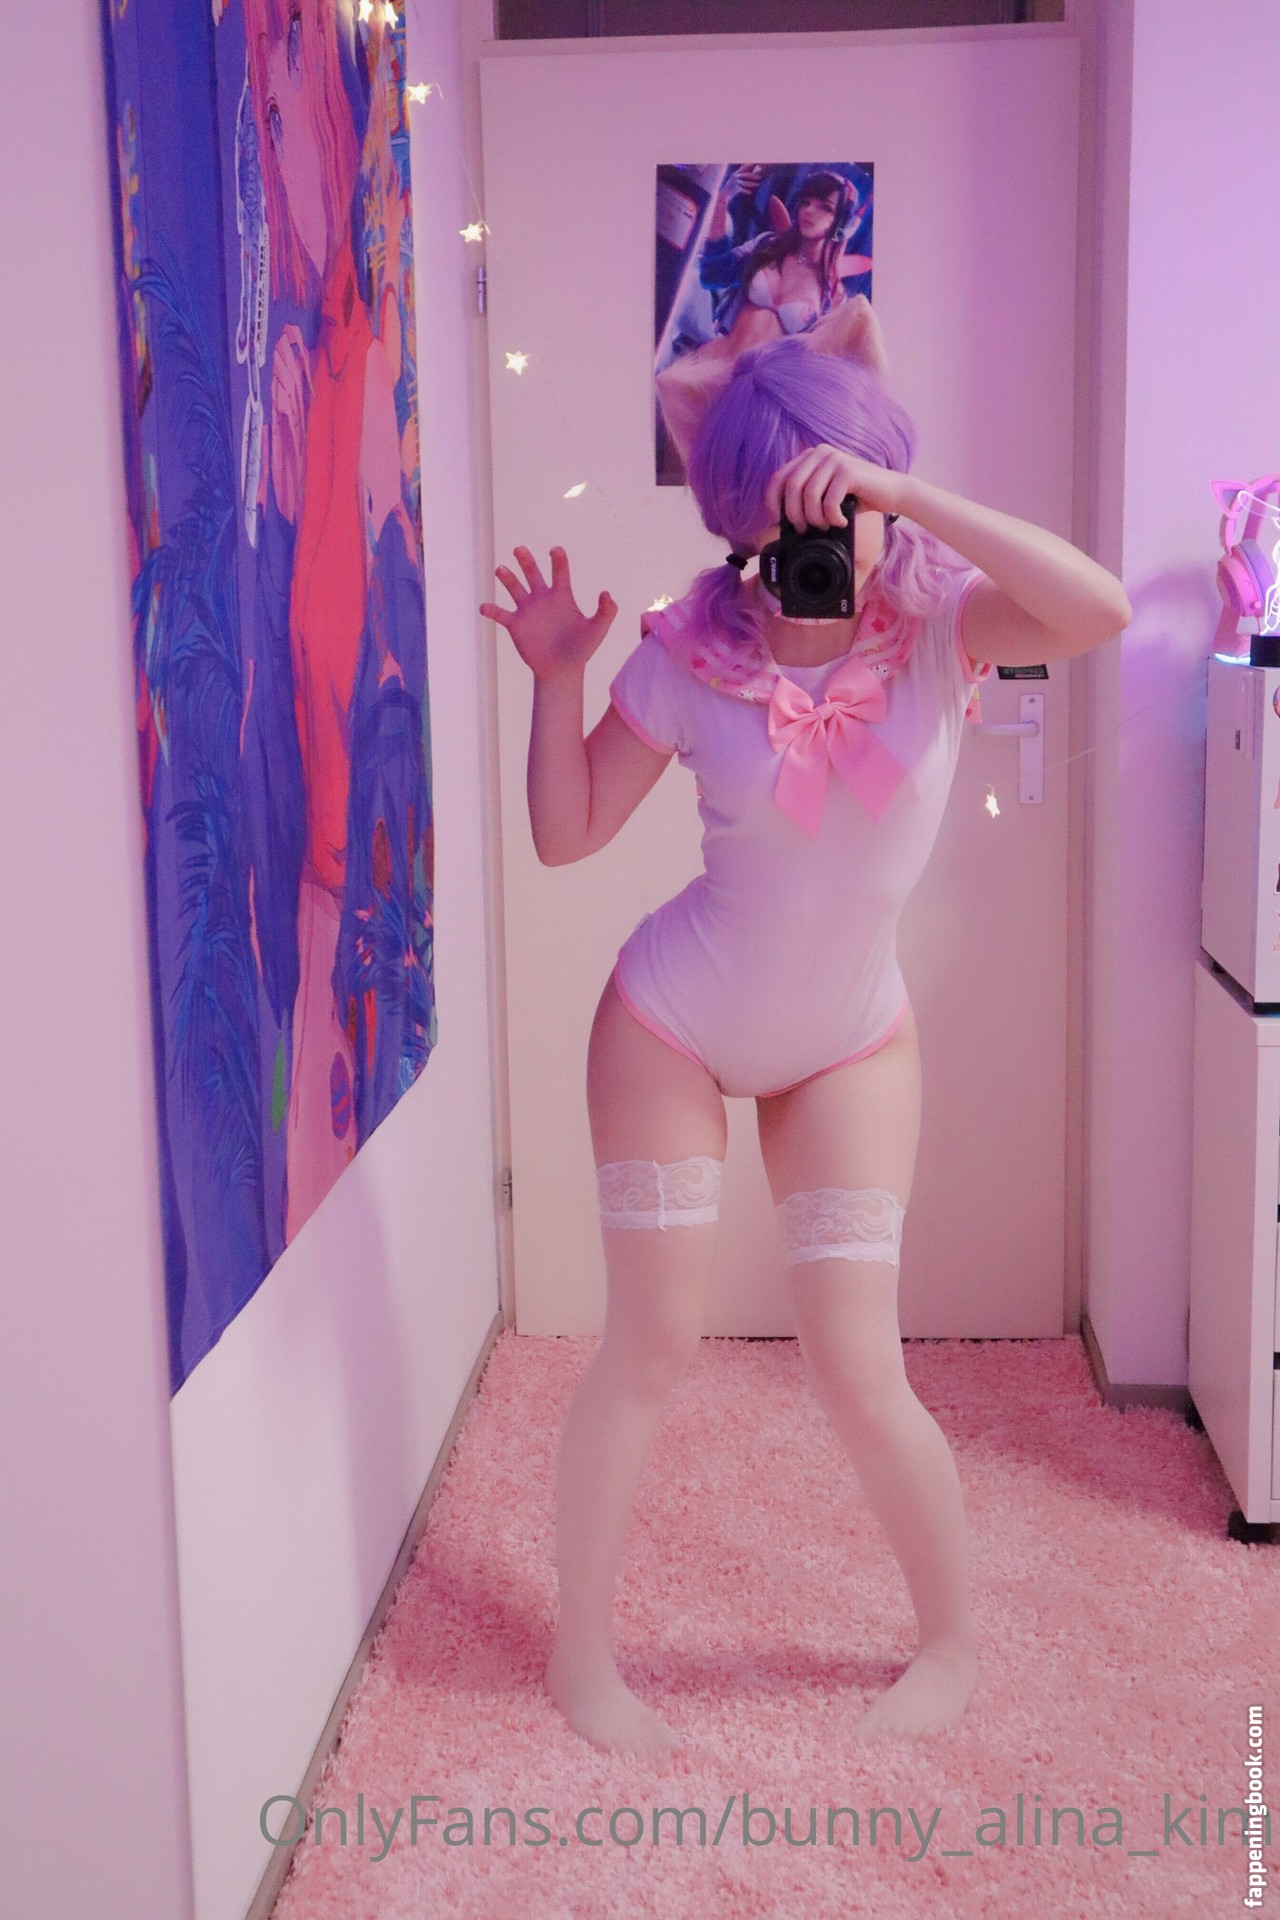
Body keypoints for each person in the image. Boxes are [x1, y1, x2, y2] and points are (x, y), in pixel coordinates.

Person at [481, 326, 1131, 1759]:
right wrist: (553, 680)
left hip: (850, 1040)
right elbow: (565, 835)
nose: (817, 544)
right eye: (782, 521)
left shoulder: (946, 626)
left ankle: (950, 1642)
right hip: (670, 1025)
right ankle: (582, 1657)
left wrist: (913, 499)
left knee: (855, 1363)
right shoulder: (689, 654)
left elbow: (1098, 610)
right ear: (732, 519)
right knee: (650, 1347)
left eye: (839, 505)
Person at [657, 167, 872, 474]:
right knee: (675, 460)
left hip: (759, 398)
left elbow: (818, 368)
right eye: (807, 201)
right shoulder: (768, 246)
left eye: (824, 207)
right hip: (711, 368)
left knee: (724, 477)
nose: (809, 211)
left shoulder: (832, 296)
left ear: (843, 224)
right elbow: (714, 274)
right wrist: (720, 203)